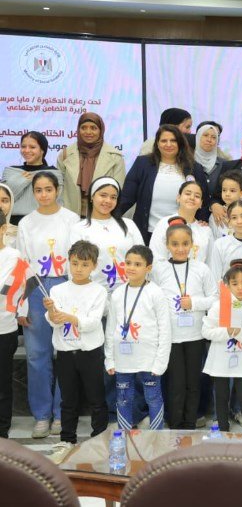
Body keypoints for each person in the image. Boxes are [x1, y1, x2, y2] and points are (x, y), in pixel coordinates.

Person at [18, 172, 80, 438]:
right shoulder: (26, 223)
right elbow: (21, 265)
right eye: (38, 190)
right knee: (36, 354)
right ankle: (42, 415)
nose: (43, 195)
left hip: (66, 285)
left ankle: (62, 412)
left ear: (57, 190)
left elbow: (78, 258)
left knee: (65, 352)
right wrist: (22, 305)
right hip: (35, 288)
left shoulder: (72, 220)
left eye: (48, 189)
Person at [44, 241, 109, 464]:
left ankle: (99, 439)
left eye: (84, 264)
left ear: (94, 266)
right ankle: (67, 440)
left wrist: (70, 318)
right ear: (68, 262)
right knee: (68, 399)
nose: (79, 269)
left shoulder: (98, 291)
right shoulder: (57, 290)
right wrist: (52, 314)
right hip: (65, 352)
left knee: (96, 398)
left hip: (89, 352)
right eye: (75, 263)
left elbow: (92, 322)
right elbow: (53, 321)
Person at [152, 219, 218, 429]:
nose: (180, 249)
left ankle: (190, 423)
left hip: (195, 335)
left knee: (193, 382)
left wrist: (194, 303)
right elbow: (152, 299)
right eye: (175, 244)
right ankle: (175, 423)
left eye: (185, 244)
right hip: (171, 336)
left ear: (192, 244)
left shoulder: (201, 269)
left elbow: (215, 298)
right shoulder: (159, 270)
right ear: (167, 245)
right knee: (176, 383)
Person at [104, 245, 172, 431]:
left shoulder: (156, 293)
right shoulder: (118, 293)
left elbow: (165, 329)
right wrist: (109, 358)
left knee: (153, 397)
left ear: (148, 268)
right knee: (123, 398)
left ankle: (156, 437)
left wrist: (160, 362)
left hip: (149, 358)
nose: (131, 267)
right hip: (123, 358)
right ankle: (124, 435)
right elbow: (110, 328)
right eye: (128, 263)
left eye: (137, 264)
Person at [120, 124, 209, 244]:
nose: (168, 144)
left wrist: (203, 219)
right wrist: (108, 217)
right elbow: (127, 197)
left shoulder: (194, 168)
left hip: (182, 234)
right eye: (163, 141)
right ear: (157, 143)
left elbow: (203, 198)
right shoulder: (143, 164)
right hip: (148, 233)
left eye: (173, 140)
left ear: (180, 143)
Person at [202, 259, 242, 434]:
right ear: (227, 285)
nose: (240, 288)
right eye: (235, 284)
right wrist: (226, 331)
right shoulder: (218, 306)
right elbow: (206, 331)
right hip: (220, 360)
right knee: (221, 397)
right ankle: (222, 432)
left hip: (241, 361)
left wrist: (239, 333)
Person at [68, 177, 144, 296]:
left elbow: (143, 258)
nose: (108, 200)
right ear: (92, 196)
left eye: (113, 197)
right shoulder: (79, 229)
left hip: (129, 292)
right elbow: (73, 265)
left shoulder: (129, 225)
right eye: (103, 195)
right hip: (93, 294)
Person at [57, 113, 126, 217]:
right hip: (70, 216)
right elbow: (59, 187)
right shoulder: (65, 154)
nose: (88, 132)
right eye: (83, 128)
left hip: (102, 216)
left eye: (93, 128)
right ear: (78, 130)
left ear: (101, 130)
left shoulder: (115, 157)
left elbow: (118, 190)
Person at [3, 131, 64, 224]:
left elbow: (54, 201)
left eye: (32, 147)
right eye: (23, 146)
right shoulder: (10, 171)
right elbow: (5, 199)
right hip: (12, 224)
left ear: (42, 150)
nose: (26, 150)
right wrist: (22, 180)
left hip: (44, 222)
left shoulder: (54, 173)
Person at [149, 181, 214, 264]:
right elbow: (156, 258)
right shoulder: (165, 224)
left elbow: (210, 263)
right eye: (188, 194)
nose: (192, 198)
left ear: (201, 203)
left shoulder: (205, 230)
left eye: (197, 196)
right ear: (178, 197)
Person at [0, 210, 22, 439]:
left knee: (3, 382)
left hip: (4, 328)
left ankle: (2, 428)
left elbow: (6, 289)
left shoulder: (14, 256)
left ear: (3, 229)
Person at [193, 121, 229, 198]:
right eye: (205, 135)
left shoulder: (224, 164)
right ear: (198, 137)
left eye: (214, 137)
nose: (209, 140)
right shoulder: (188, 161)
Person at [209, 170, 242, 239]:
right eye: (224, 190)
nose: (227, 194)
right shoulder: (215, 215)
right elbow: (212, 240)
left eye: (232, 190)